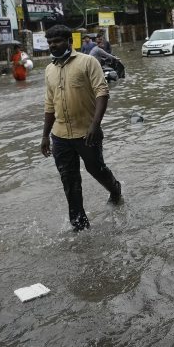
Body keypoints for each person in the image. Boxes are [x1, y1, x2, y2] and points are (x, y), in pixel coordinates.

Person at [40, 24, 122, 231]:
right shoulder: (49, 70)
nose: (53, 46)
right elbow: (49, 105)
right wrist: (44, 136)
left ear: (69, 41)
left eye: (57, 41)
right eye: (49, 42)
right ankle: (80, 225)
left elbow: (102, 92)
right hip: (60, 136)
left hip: (87, 132)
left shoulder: (88, 62)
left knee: (96, 169)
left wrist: (95, 125)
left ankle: (115, 189)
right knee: (69, 181)